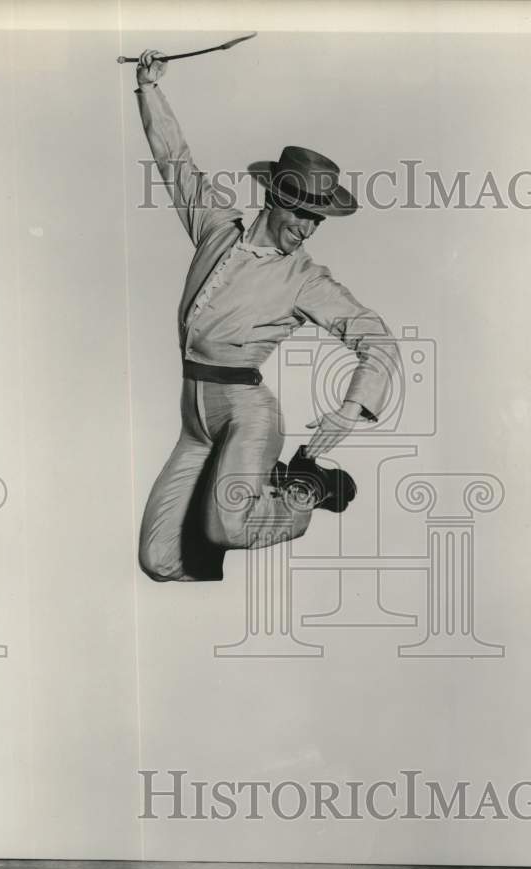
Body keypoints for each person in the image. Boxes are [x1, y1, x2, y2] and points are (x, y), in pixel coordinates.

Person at [134, 49, 398, 582]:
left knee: (227, 530)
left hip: (247, 414)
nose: (306, 227)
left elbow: (379, 341)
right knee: (160, 561)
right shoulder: (215, 228)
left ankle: (306, 490)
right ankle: (258, 487)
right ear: (274, 198)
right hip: (195, 418)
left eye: (317, 220)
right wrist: (149, 88)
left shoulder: (304, 279)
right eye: (300, 213)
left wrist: (352, 410)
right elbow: (176, 164)